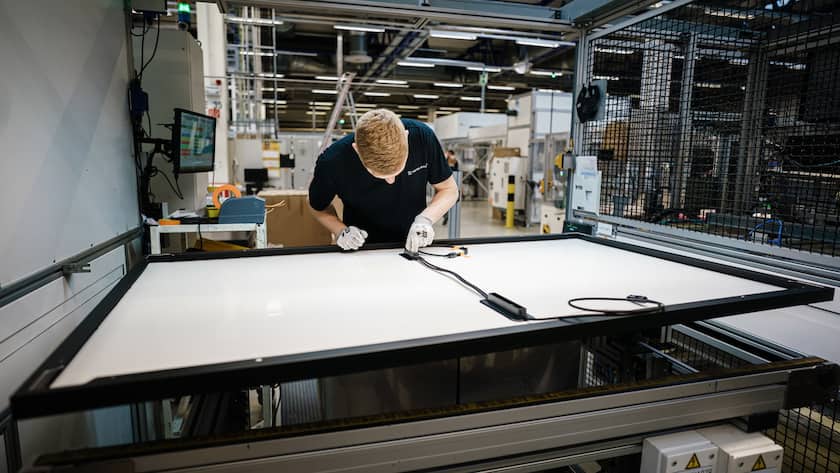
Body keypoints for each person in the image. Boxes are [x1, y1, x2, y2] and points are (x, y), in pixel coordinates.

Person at [308, 109, 458, 253]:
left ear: (406, 137)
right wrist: (340, 230)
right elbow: (317, 205)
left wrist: (425, 219)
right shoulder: (333, 162)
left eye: (397, 170)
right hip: (361, 248)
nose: (390, 181)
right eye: (378, 174)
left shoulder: (422, 138)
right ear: (357, 150)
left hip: (413, 245)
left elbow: (449, 189)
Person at [442, 150, 459, 225]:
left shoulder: (455, 162)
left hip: (450, 185)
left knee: (448, 203)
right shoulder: (444, 161)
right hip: (445, 185)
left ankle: (447, 215)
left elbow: (457, 171)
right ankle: (446, 215)